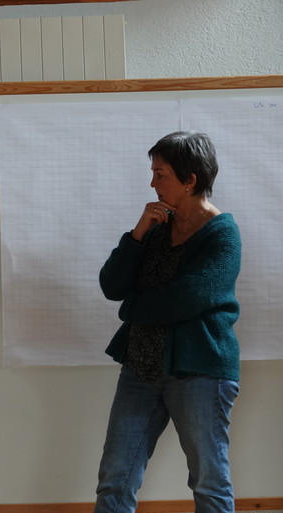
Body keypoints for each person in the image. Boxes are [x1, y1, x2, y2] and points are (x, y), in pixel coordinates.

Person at [93, 131, 241, 513]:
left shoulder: (222, 233)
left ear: (190, 180)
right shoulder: (157, 226)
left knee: (208, 480)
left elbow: (187, 298)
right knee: (115, 476)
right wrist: (138, 234)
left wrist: (131, 308)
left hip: (200, 370)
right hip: (141, 365)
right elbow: (112, 285)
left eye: (161, 174)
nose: (152, 183)